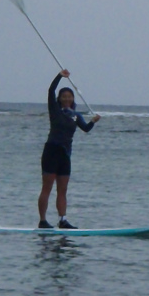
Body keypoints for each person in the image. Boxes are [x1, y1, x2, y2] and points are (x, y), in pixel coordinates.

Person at [38, 69, 100, 229]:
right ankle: (43, 221)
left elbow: (85, 129)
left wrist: (93, 121)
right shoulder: (55, 111)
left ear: (73, 99)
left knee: (62, 190)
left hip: (65, 155)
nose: (66, 98)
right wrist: (60, 76)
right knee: (47, 187)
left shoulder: (76, 116)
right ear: (59, 99)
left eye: (69, 96)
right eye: (63, 96)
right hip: (52, 151)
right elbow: (51, 90)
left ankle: (62, 220)